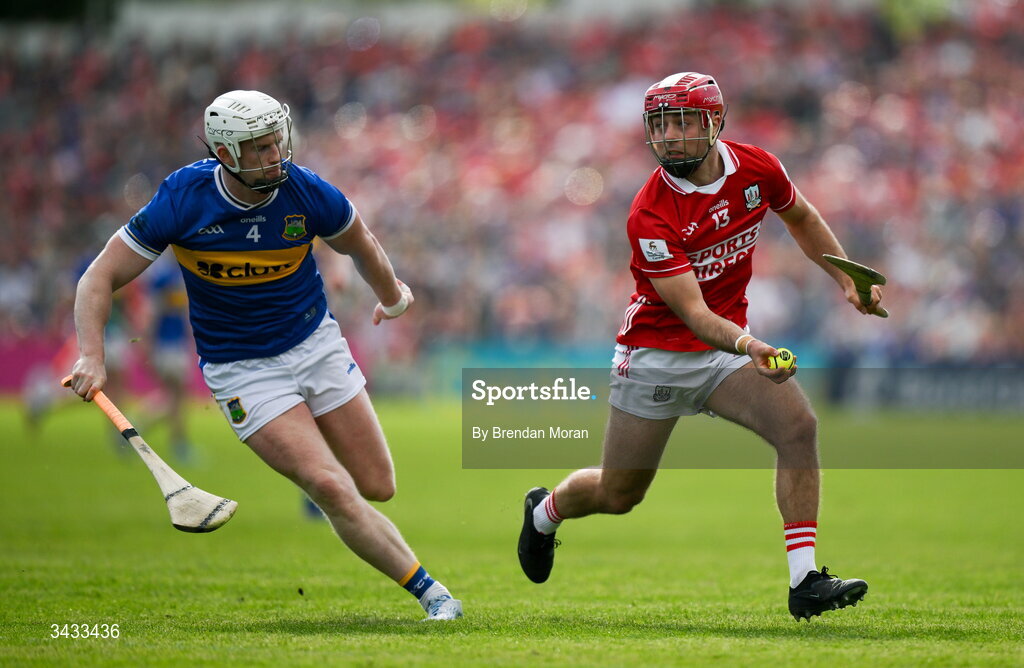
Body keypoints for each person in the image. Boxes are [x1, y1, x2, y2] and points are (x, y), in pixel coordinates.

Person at [69, 90, 462, 621]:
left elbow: (359, 241)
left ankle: (323, 469)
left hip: (316, 344)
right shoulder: (183, 198)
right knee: (329, 484)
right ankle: (433, 593)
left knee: (377, 485)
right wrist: (92, 355)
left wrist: (392, 298)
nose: (274, 154)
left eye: (277, 141)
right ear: (225, 154)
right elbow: (100, 277)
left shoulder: (306, 191)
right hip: (242, 370)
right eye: (257, 147)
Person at [517, 72, 884, 621]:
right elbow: (692, 313)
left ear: (714, 123)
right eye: (660, 126)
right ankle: (545, 512)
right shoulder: (650, 212)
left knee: (798, 427)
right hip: (657, 357)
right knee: (620, 495)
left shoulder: (757, 168)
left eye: (683, 122)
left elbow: (801, 216)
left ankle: (804, 579)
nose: (669, 137)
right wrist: (750, 343)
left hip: (723, 355)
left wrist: (844, 276)